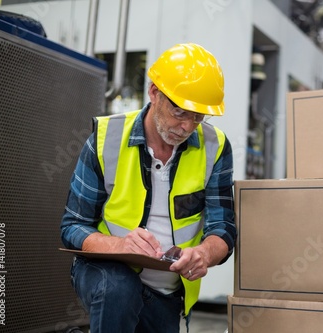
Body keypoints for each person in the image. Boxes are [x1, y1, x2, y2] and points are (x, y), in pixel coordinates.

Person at [60, 43, 237, 333]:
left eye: (198, 117)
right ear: (154, 92)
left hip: (166, 293)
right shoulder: (107, 139)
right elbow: (72, 226)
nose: (186, 127)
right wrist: (120, 245)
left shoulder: (215, 148)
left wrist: (204, 253)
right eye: (179, 112)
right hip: (106, 274)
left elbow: (224, 228)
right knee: (118, 288)